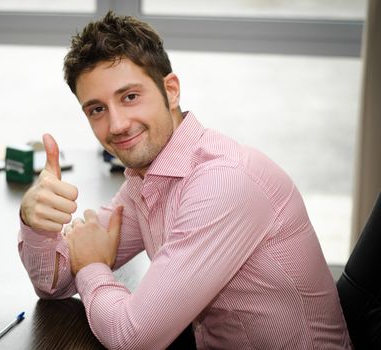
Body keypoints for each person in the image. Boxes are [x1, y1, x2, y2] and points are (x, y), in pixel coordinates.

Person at [18, 11, 352, 349]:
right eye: (97, 109)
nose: (117, 124)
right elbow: (55, 286)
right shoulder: (145, 179)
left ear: (171, 90)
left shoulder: (222, 183)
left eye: (130, 97)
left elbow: (133, 338)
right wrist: (34, 223)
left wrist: (91, 265)